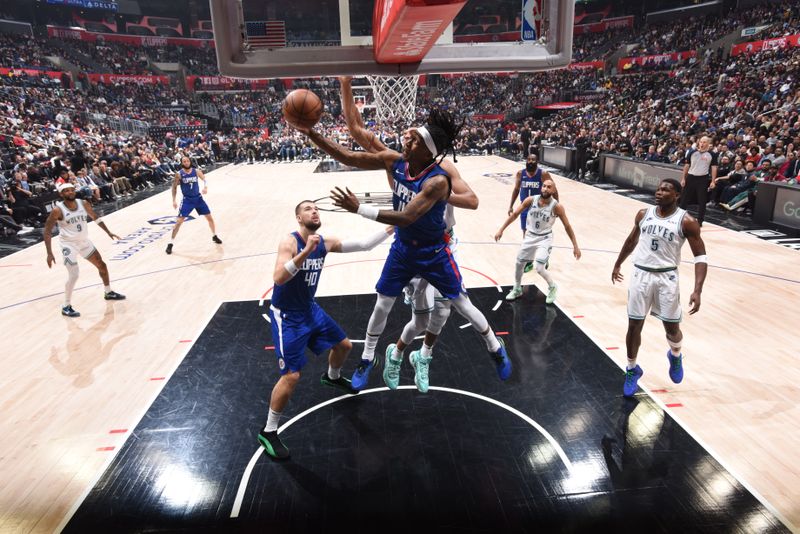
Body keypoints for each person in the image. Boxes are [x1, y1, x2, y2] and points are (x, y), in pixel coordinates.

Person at [294, 107, 512, 394]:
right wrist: (313, 134)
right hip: (403, 250)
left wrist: (359, 208)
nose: (404, 143)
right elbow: (348, 156)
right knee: (383, 304)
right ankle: (368, 359)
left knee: (460, 304)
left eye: (412, 141)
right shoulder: (395, 161)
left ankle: (495, 348)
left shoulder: (437, 181)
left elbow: (407, 216)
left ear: (426, 150)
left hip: (434, 251)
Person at [258, 200, 394, 460]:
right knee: (292, 376)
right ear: (299, 218)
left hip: (310, 309)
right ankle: (269, 430)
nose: (314, 211)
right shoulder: (290, 242)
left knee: (344, 346)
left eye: (316, 208)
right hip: (287, 317)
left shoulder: (324, 243)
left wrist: (392, 228)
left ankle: (332, 376)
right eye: (308, 209)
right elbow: (278, 278)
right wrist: (305, 252)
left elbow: (364, 245)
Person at [611, 179, 707, 397]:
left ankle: (675, 355)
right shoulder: (643, 214)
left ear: (677, 196)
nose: (659, 192)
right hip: (640, 274)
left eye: (666, 190)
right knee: (634, 324)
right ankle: (632, 369)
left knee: (671, 328)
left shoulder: (687, 221)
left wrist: (697, 289)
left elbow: (701, 256)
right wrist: (618, 263)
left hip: (667, 278)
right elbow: (631, 241)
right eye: (659, 188)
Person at [43, 182, 126, 317]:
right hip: (68, 245)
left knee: (102, 265)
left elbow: (95, 218)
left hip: (83, 242)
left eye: (72, 190)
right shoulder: (58, 210)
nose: (70, 192)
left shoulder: (83, 203)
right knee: (74, 274)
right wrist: (49, 253)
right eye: (66, 191)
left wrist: (108, 232)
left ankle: (108, 292)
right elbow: (47, 232)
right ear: (61, 194)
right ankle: (66, 306)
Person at [494, 178, 581, 304]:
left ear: (554, 190)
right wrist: (501, 229)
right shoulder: (531, 200)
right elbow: (514, 215)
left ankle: (552, 287)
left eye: (549, 187)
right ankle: (517, 288)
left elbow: (567, 226)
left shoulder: (557, 207)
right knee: (519, 264)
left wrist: (575, 246)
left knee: (539, 268)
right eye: (544, 186)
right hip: (530, 236)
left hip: (545, 238)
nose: (545, 188)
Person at [166, 155, 222, 255]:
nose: (186, 162)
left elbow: (205, 179)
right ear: (182, 163)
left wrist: (205, 187)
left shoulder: (196, 171)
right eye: (184, 161)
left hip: (198, 199)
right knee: (178, 222)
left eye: (187, 161)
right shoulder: (179, 174)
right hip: (187, 200)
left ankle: (214, 235)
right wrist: (174, 200)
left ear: (190, 161)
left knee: (210, 218)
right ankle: (170, 243)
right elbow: (174, 187)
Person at [680, 136, 718, 226]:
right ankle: (679, 217)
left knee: (702, 200)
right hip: (690, 177)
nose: (702, 144)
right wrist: (683, 178)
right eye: (701, 142)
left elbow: (714, 168)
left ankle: (700, 220)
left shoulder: (712, 154)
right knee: (684, 198)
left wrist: (713, 181)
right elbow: (686, 166)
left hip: (703, 179)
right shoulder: (692, 152)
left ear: (708, 144)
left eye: (704, 142)